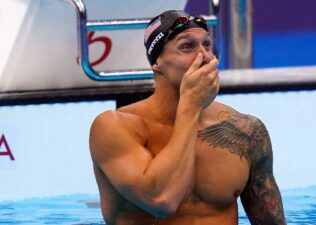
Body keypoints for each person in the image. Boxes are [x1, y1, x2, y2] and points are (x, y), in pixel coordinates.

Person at [89, 10, 286, 225]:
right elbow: (161, 200)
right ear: (157, 63)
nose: (204, 57)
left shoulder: (246, 130)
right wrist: (190, 107)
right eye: (187, 47)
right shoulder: (114, 127)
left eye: (207, 45)